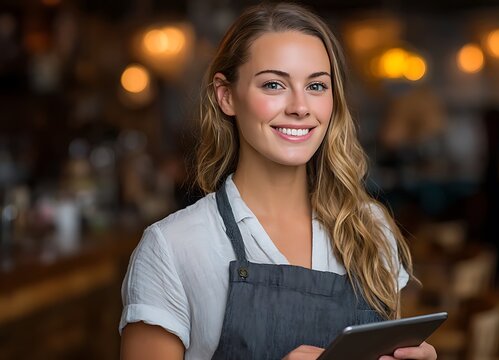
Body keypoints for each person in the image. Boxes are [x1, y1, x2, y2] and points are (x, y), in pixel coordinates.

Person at [119, 3, 437, 360]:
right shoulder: (174, 248)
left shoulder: (369, 229)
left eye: (316, 86)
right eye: (274, 84)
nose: (301, 107)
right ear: (226, 96)